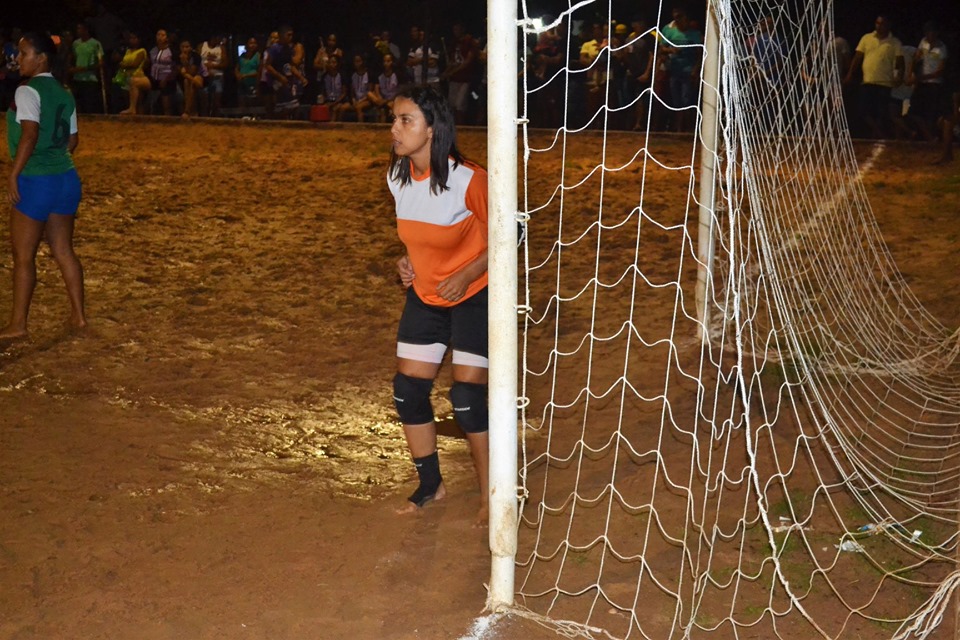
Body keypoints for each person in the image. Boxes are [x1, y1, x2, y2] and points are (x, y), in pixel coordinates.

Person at [387, 85, 490, 521]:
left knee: (466, 397)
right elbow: (417, 238)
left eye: (405, 120)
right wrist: (405, 263)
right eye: (394, 119)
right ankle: (432, 485)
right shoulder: (397, 176)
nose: (394, 128)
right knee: (407, 391)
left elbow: (513, 235)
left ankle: (492, 494)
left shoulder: (470, 178)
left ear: (432, 130)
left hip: (476, 295)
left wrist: (468, 273)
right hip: (426, 297)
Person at [3, 33, 86, 340]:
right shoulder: (65, 91)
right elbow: (73, 140)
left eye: (23, 53)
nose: (17, 58)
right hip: (66, 179)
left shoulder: (26, 90)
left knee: (23, 257)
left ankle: (18, 325)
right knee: (64, 251)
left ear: (41, 59)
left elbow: (29, 134)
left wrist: (14, 174)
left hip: (36, 181)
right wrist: (56, 159)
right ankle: (78, 317)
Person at [844, 15, 904, 139]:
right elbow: (858, 57)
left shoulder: (895, 42)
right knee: (863, 111)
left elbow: (900, 62)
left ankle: (877, 136)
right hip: (868, 80)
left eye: (882, 24)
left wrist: (899, 76)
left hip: (885, 82)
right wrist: (850, 73)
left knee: (881, 113)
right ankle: (879, 134)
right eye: (877, 23)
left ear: (888, 25)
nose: (879, 26)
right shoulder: (866, 38)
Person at [70, 23, 104, 114]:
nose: (78, 31)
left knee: (89, 105)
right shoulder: (75, 43)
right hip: (77, 78)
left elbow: (100, 62)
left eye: (80, 29)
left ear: (86, 30)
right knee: (78, 104)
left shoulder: (95, 44)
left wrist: (85, 68)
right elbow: (73, 58)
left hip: (90, 78)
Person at [176, 39, 206, 119]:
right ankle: (192, 112)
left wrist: (185, 62)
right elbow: (183, 74)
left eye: (187, 47)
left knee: (191, 82)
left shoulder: (196, 56)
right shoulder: (177, 57)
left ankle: (187, 110)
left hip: (201, 76)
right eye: (183, 47)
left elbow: (192, 71)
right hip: (191, 79)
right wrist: (192, 79)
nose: (185, 49)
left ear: (191, 48)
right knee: (187, 82)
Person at [200, 34, 228, 117]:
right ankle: (204, 119)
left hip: (217, 76)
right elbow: (198, 60)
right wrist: (205, 69)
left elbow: (225, 63)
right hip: (205, 76)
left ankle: (215, 119)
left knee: (217, 101)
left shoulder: (221, 48)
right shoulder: (202, 46)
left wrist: (213, 66)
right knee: (204, 101)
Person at [369, 52, 399, 122]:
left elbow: (399, 91)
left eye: (388, 61)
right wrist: (380, 98)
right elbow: (377, 89)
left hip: (392, 99)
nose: (386, 63)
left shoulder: (396, 75)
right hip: (382, 99)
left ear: (392, 62)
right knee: (369, 94)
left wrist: (387, 101)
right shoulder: (379, 75)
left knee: (390, 106)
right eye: (384, 61)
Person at [234, 36, 260, 109]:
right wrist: (237, 75)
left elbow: (259, 72)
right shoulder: (242, 56)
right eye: (251, 43)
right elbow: (237, 68)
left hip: (253, 85)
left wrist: (246, 75)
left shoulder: (258, 56)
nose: (253, 45)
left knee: (252, 105)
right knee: (242, 106)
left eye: (254, 43)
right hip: (242, 85)